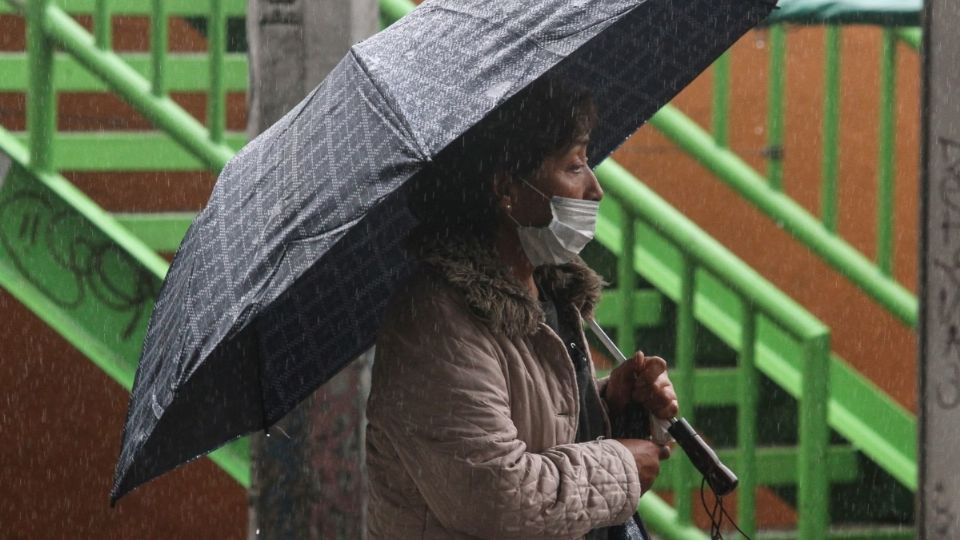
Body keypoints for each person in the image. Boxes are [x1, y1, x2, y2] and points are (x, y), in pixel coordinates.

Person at [365, 78, 680, 540]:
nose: (595, 190)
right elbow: (495, 494)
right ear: (507, 190)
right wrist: (620, 466)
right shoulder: (436, 323)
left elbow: (532, 423)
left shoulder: (547, 290)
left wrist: (613, 405)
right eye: (574, 166)